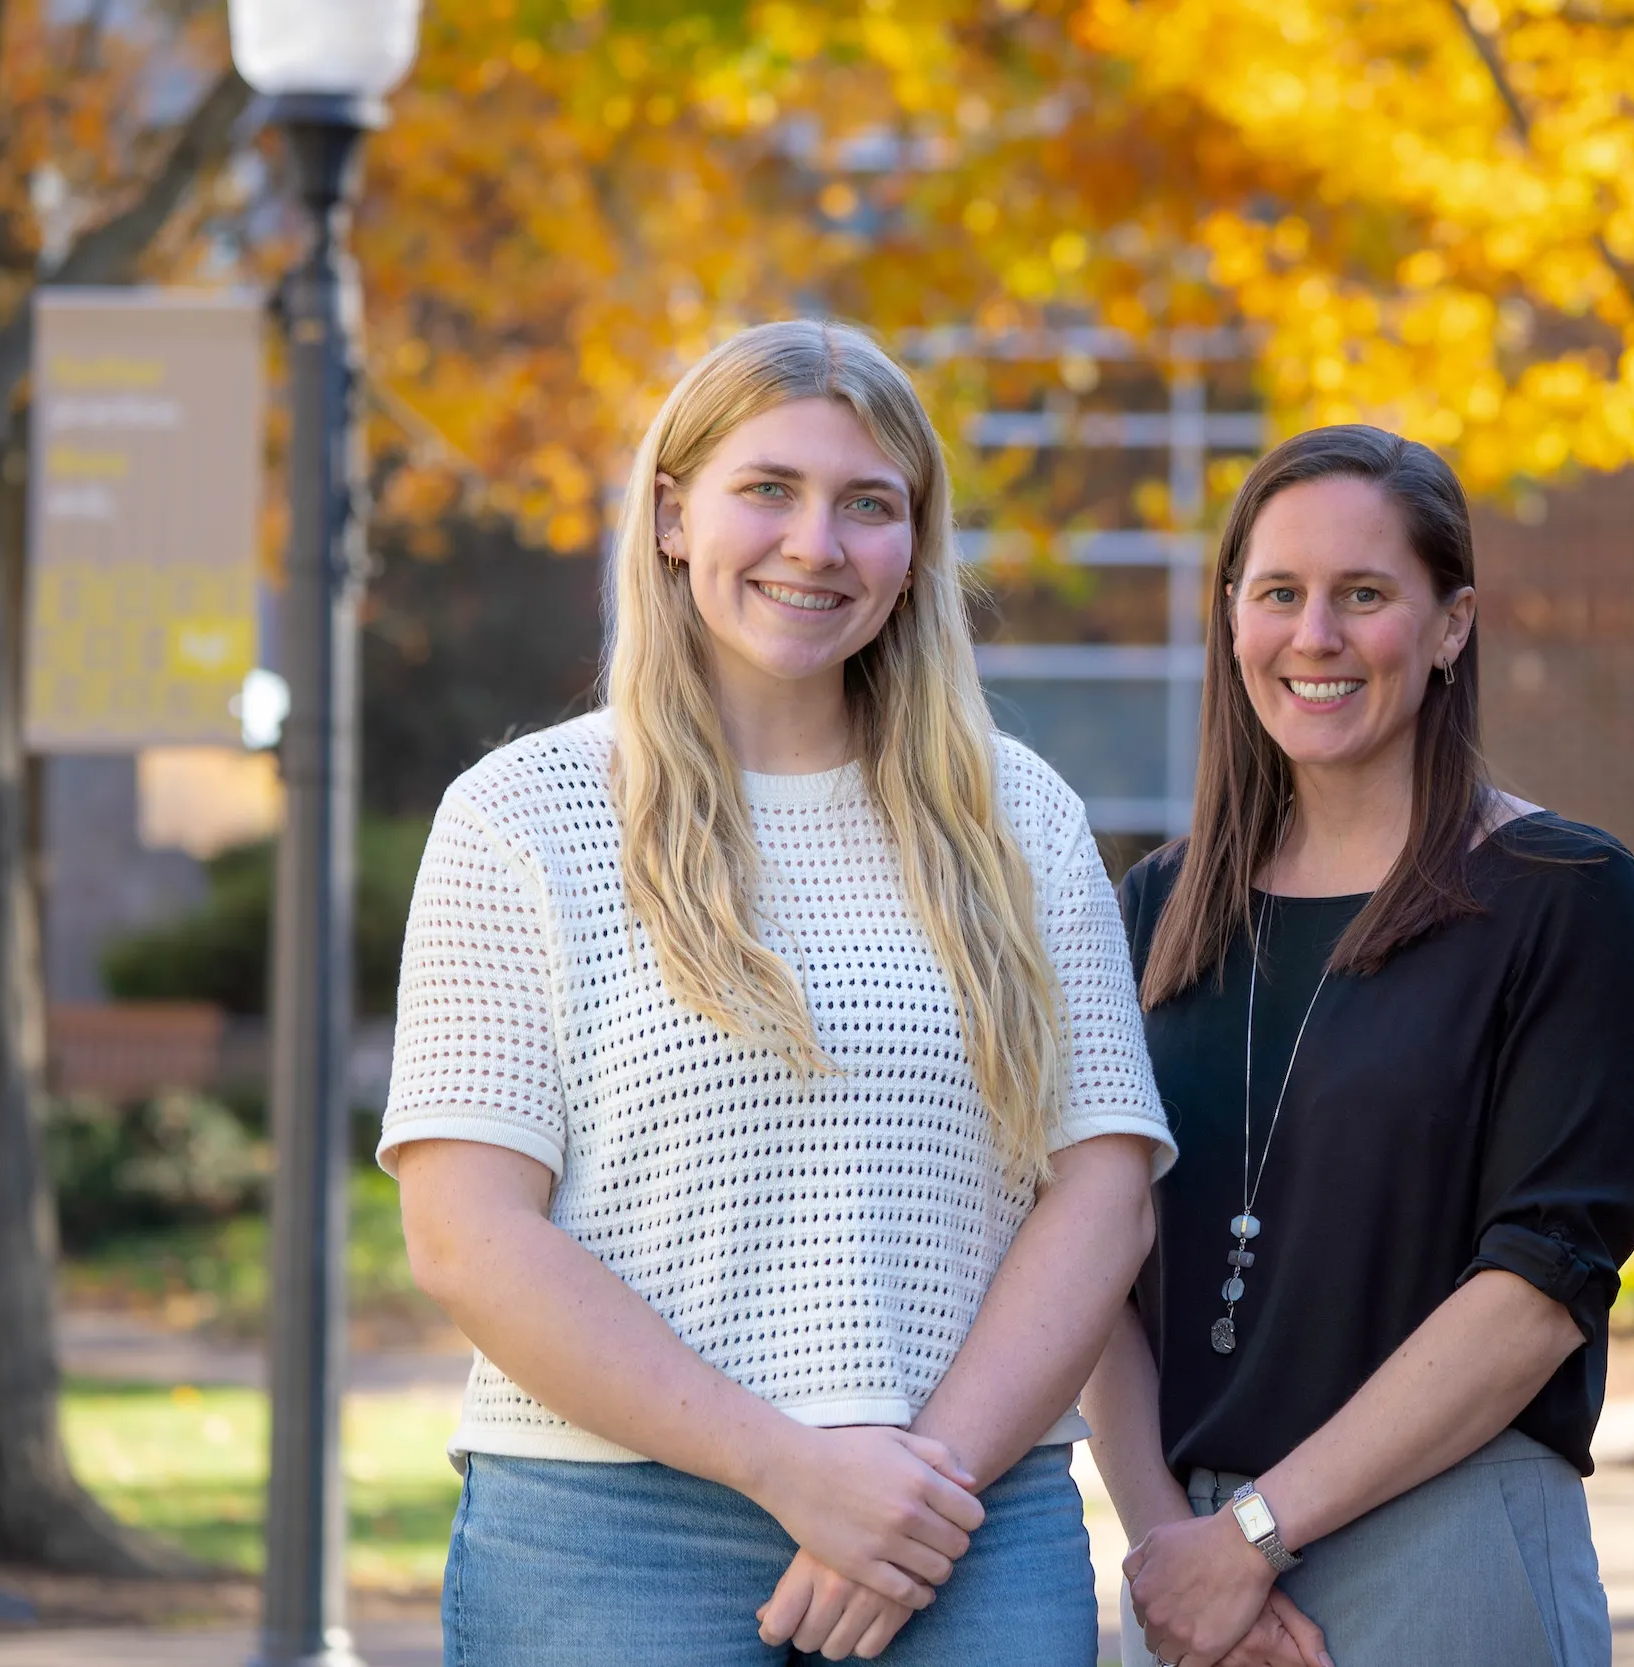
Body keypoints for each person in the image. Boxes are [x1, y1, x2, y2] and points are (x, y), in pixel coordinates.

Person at [381, 319, 1174, 1666]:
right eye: (771, 489)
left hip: (965, 1520)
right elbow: (468, 1234)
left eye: (869, 504)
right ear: (676, 514)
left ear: (914, 549)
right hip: (608, 1532)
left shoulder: (1018, 814)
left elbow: (1102, 1189)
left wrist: (916, 1486)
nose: (818, 544)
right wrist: (794, 1470)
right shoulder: (524, 814)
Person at [1086, 424, 1634, 1667]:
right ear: (1231, 617)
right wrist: (1174, 1553)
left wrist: (1252, 1535)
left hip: (1441, 1538)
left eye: (1365, 595)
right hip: (1185, 1578)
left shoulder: (1564, 897)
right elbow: (1094, 1255)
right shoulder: (1152, 909)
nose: (1315, 635)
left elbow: (1539, 1287)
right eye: (1279, 593)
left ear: (1451, 623)